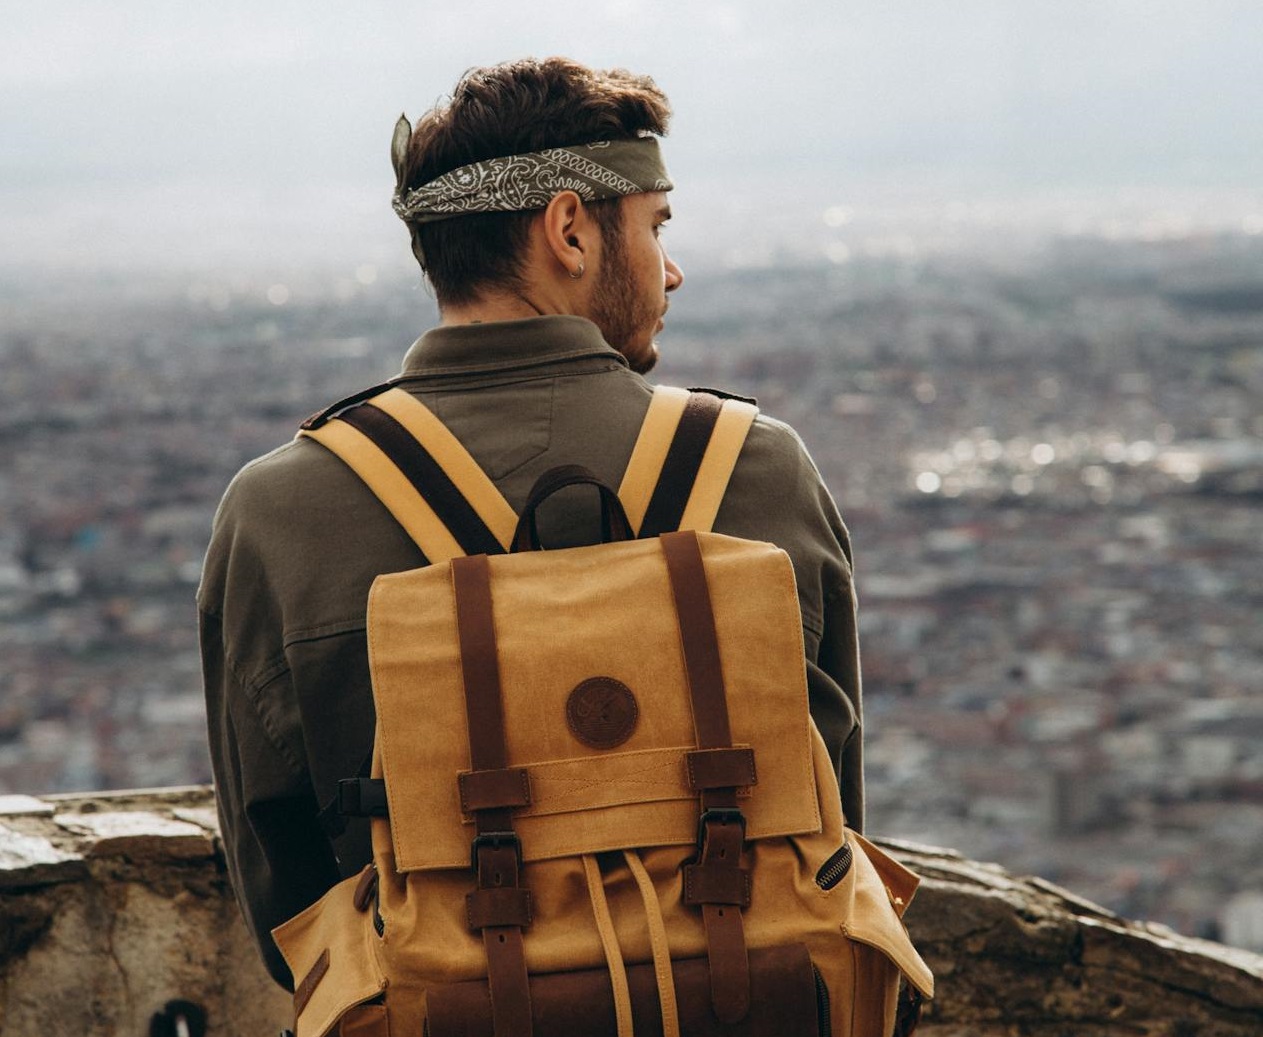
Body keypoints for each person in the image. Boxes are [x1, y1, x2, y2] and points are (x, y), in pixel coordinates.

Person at [199, 56, 863, 991]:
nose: (671, 269)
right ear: (569, 229)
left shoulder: (280, 514)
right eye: (655, 225)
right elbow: (834, 830)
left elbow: (286, 909)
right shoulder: (754, 470)